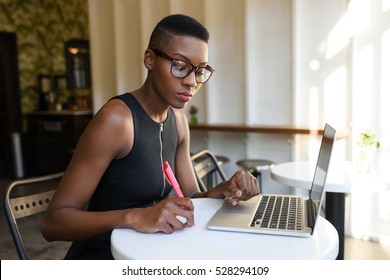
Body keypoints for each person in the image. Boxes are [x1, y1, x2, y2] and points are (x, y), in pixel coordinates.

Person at [41, 14, 259, 260]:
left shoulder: (178, 121)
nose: (191, 82)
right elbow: (53, 223)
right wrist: (135, 216)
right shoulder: (117, 121)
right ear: (150, 60)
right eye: (180, 66)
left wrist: (224, 189)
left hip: (150, 255)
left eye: (200, 71)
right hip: (103, 257)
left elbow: (191, 197)